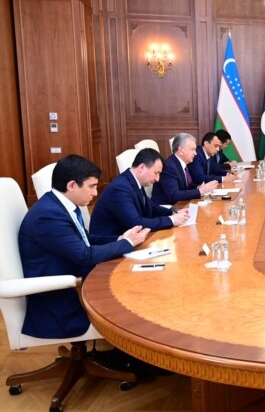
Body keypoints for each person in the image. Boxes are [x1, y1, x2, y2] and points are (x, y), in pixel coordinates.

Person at [18, 155, 150, 338]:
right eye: (92, 186)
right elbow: (85, 255)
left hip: (76, 279)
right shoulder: (48, 215)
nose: (95, 193)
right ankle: (130, 352)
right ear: (72, 185)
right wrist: (126, 244)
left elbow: (85, 238)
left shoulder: (59, 205)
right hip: (61, 303)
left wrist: (120, 238)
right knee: (135, 296)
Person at [89, 148, 191, 236]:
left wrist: (174, 212)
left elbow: (151, 206)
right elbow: (136, 223)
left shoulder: (133, 181)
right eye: (156, 173)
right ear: (142, 167)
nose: (158, 179)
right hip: (112, 246)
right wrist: (172, 220)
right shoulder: (120, 188)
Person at [151, 133, 219, 205]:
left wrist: (199, 187)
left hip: (180, 205)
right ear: (181, 150)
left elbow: (187, 186)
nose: (195, 153)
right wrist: (200, 191)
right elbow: (174, 195)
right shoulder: (169, 167)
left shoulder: (181, 164)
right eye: (192, 150)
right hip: (166, 209)